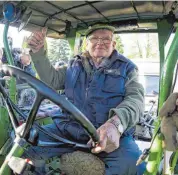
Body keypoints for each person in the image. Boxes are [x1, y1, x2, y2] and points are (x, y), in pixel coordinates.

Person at [26, 24, 146, 174]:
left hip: (105, 135)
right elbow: (52, 80)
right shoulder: (73, 64)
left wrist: (116, 123)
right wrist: (38, 52)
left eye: (106, 39)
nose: (100, 42)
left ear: (114, 44)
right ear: (87, 43)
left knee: (136, 164)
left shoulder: (127, 68)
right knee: (25, 142)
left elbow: (136, 100)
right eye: (94, 38)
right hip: (66, 129)